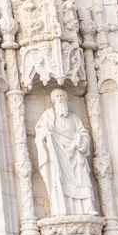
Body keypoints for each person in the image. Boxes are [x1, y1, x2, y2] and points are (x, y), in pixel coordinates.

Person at [35, 88, 98, 216]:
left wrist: (82, 143)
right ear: (53, 101)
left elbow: (84, 133)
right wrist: (45, 135)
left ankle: (87, 207)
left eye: (62, 96)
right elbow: (40, 132)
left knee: (83, 178)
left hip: (76, 156)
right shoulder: (48, 116)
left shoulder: (74, 118)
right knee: (59, 181)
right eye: (57, 97)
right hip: (59, 156)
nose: (60, 99)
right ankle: (63, 209)